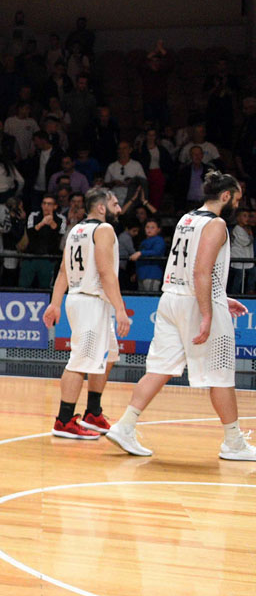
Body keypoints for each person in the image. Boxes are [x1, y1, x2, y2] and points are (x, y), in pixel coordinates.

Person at [105, 172, 255, 460]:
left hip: (171, 299)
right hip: (196, 304)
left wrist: (220, 297)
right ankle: (233, 442)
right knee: (221, 374)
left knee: (159, 369)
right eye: (236, 199)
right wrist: (208, 313)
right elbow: (201, 271)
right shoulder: (216, 224)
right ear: (225, 196)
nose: (237, 205)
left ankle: (124, 426)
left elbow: (190, 271)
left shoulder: (187, 219)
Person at [42, 187, 132, 439]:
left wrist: (55, 303)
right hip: (91, 302)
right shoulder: (104, 229)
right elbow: (105, 272)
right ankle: (64, 420)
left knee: (110, 354)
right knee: (79, 362)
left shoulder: (76, 229)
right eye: (115, 204)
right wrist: (121, 309)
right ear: (101, 208)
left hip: (80, 299)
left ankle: (93, 412)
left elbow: (63, 270)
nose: (119, 209)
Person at [135, 219, 167, 292]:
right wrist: (136, 273)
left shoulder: (159, 240)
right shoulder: (143, 241)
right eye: (147, 227)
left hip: (152, 274)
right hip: (141, 274)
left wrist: (141, 253)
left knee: (150, 295)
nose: (149, 230)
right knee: (141, 296)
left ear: (158, 229)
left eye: (152, 227)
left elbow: (157, 252)